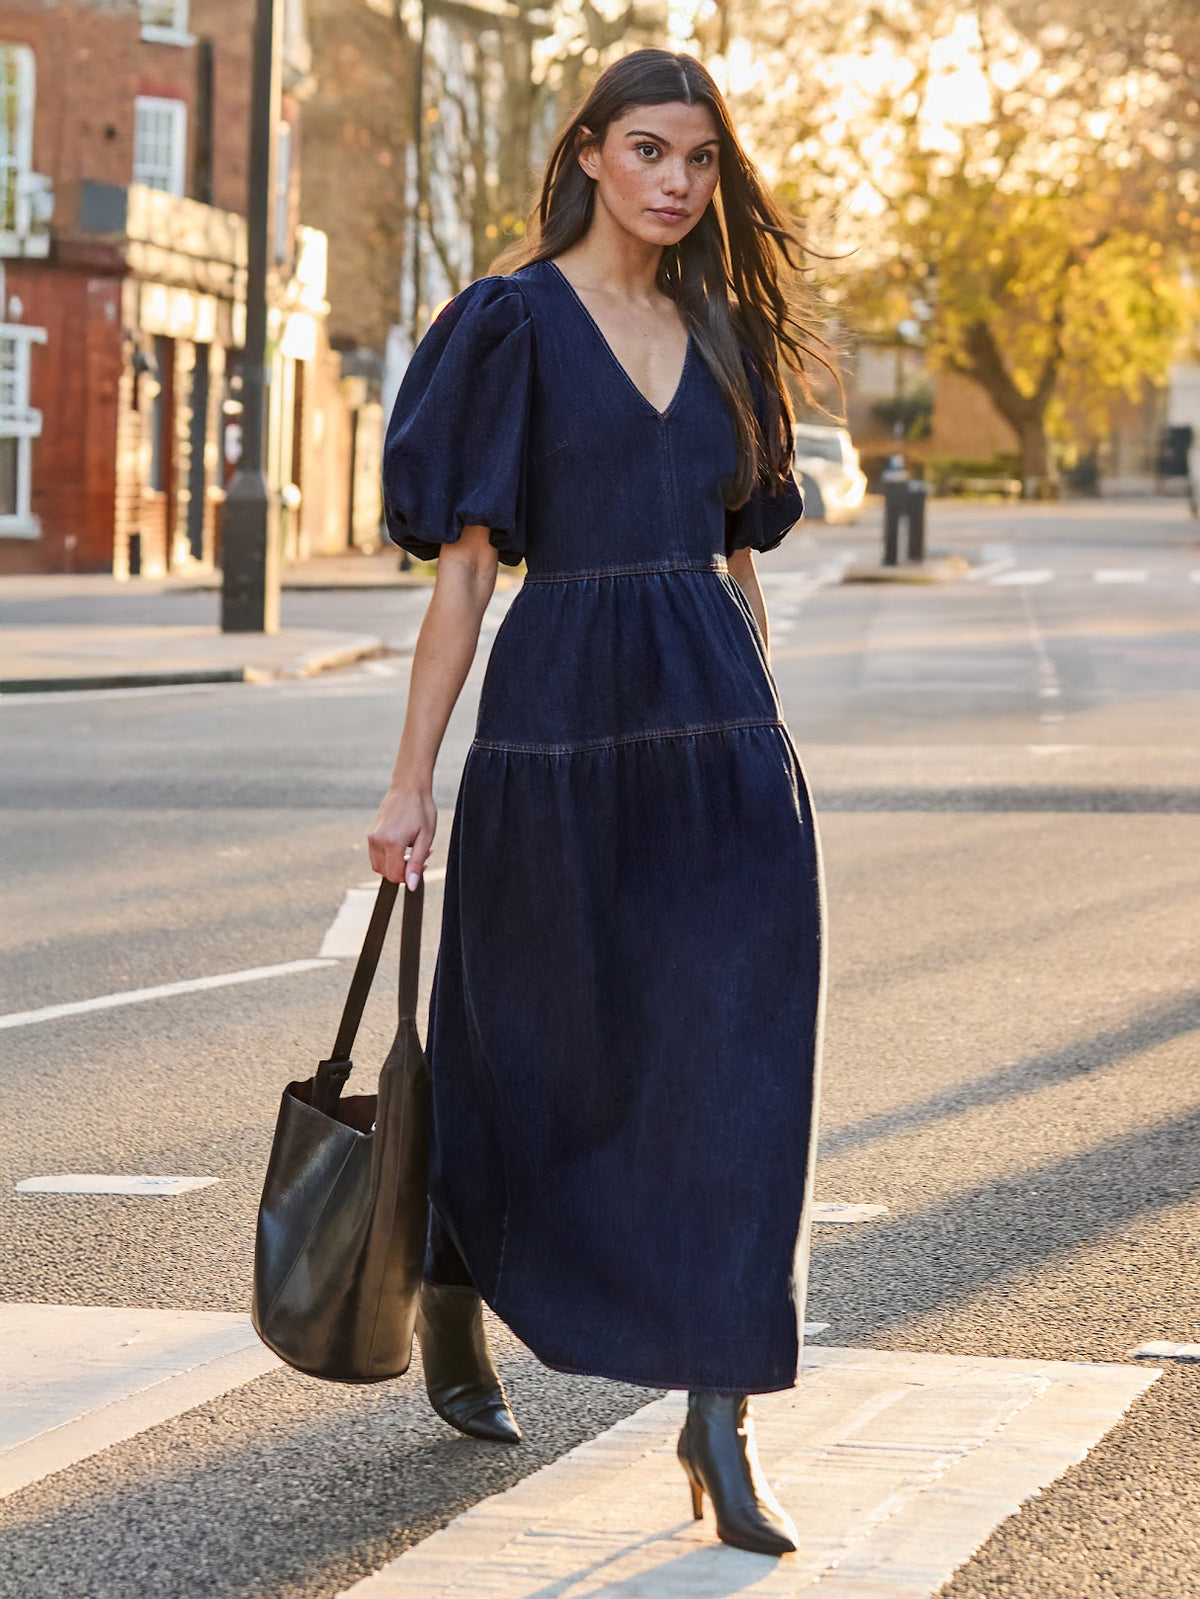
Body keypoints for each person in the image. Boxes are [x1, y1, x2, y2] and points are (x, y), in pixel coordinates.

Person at [369, 47, 831, 1557]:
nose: (679, 184)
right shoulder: (507, 326)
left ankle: (721, 1413)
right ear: (588, 151)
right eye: (650, 152)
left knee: (736, 1067)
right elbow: (462, 582)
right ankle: (450, 1283)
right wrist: (406, 784)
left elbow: (741, 556)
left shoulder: (728, 332)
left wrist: (761, 718)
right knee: (531, 1046)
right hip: (557, 728)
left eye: (701, 160)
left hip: (718, 739)